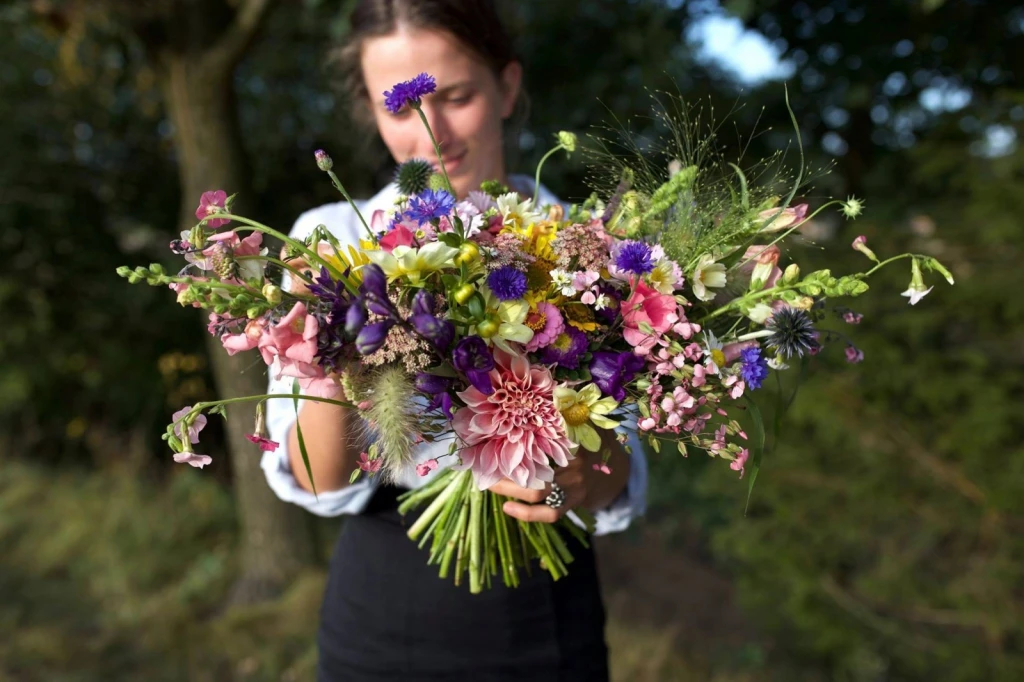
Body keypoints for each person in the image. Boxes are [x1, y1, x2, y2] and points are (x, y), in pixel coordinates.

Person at [261, 1, 648, 679]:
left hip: (550, 619)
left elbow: (614, 475)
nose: (431, 135)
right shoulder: (331, 241)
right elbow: (319, 479)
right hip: (383, 620)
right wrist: (325, 344)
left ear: (508, 86)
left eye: (457, 97)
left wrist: (568, 486)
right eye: (399, 107)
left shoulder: (588, 243)